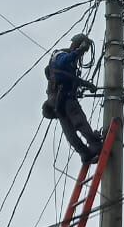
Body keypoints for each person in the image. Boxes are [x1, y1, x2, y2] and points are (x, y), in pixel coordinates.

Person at [43, 34, 104, 165]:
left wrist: (87, 85)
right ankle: (95, 146)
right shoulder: (61, 55)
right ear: (78, 44)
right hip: (65, 98)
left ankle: (85, 154)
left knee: (69, 131)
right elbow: (63, 63)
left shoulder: (64, 60)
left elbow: (71, 78)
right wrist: (80, 50)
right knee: (79, 122)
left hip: (58, 101)